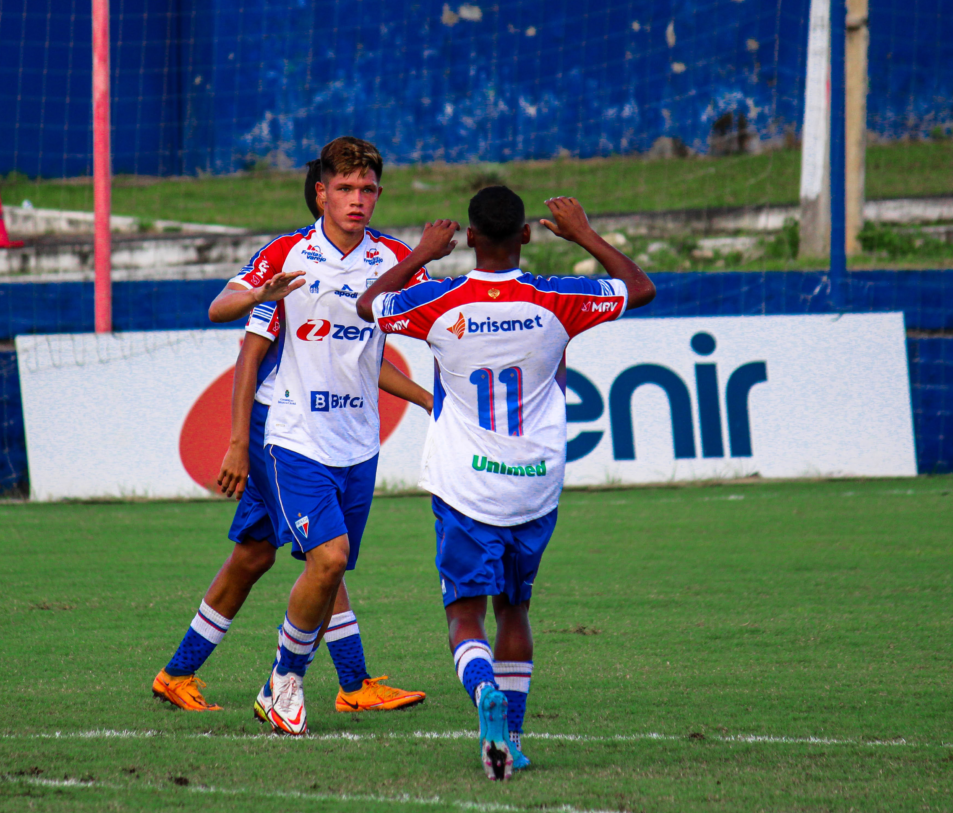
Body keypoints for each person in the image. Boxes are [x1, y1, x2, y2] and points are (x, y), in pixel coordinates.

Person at [356, 187, 655, 779]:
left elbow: (369, 306)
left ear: (468, 238)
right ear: (526, 235)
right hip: (535, 482)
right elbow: (640, 288)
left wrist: (420, 253)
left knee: (464, 619)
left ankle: (483, 692)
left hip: (465, 486)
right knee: (514, 612)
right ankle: (511, 739)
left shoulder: (439, 301)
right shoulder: (557, 298)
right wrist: (585, 235)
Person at [152, 148, 430, 717]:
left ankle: (177, 672)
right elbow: (237, 335)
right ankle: (330, 683)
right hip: (280, 428)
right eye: (347, 187)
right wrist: (235, 443)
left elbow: (365, 361)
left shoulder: (394, 259)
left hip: (349, 433)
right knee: (325, 556)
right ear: (321, 192)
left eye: (369, 189)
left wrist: (432, 401)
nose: (359, 198)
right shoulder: (289, 258)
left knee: (258, 555)